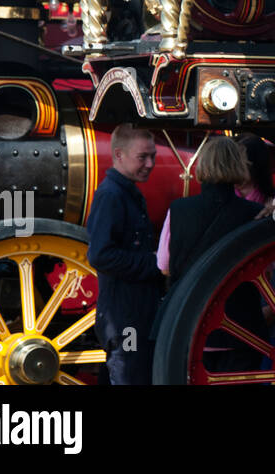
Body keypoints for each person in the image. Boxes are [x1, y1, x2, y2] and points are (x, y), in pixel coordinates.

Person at [155, 135, 266, 373]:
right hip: (240, 329)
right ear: (238, 166)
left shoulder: (178, 209)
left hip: (187, 326)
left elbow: (164, 265)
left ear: (202, 165)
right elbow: (262, 271)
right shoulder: (254, 213)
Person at [86, 123, 161, 385]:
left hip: (129, 315)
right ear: (119, 155)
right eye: (143, 157)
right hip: (125, 319)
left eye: (153, 156)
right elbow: (100, 256)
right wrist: (156, 264)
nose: (150, 163)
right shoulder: (111, 195)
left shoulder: (125, 192)